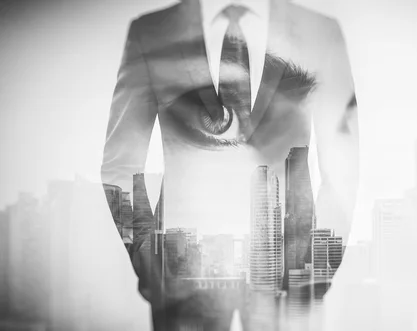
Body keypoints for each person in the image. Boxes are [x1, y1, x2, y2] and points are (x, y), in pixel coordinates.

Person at [101, 0, 359, 329]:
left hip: (287, 275)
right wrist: (149, 262)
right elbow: (120, 165)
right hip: (181, 273)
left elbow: (343, 167)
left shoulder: (319, 32)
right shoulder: (152, 32)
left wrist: (315, 271)